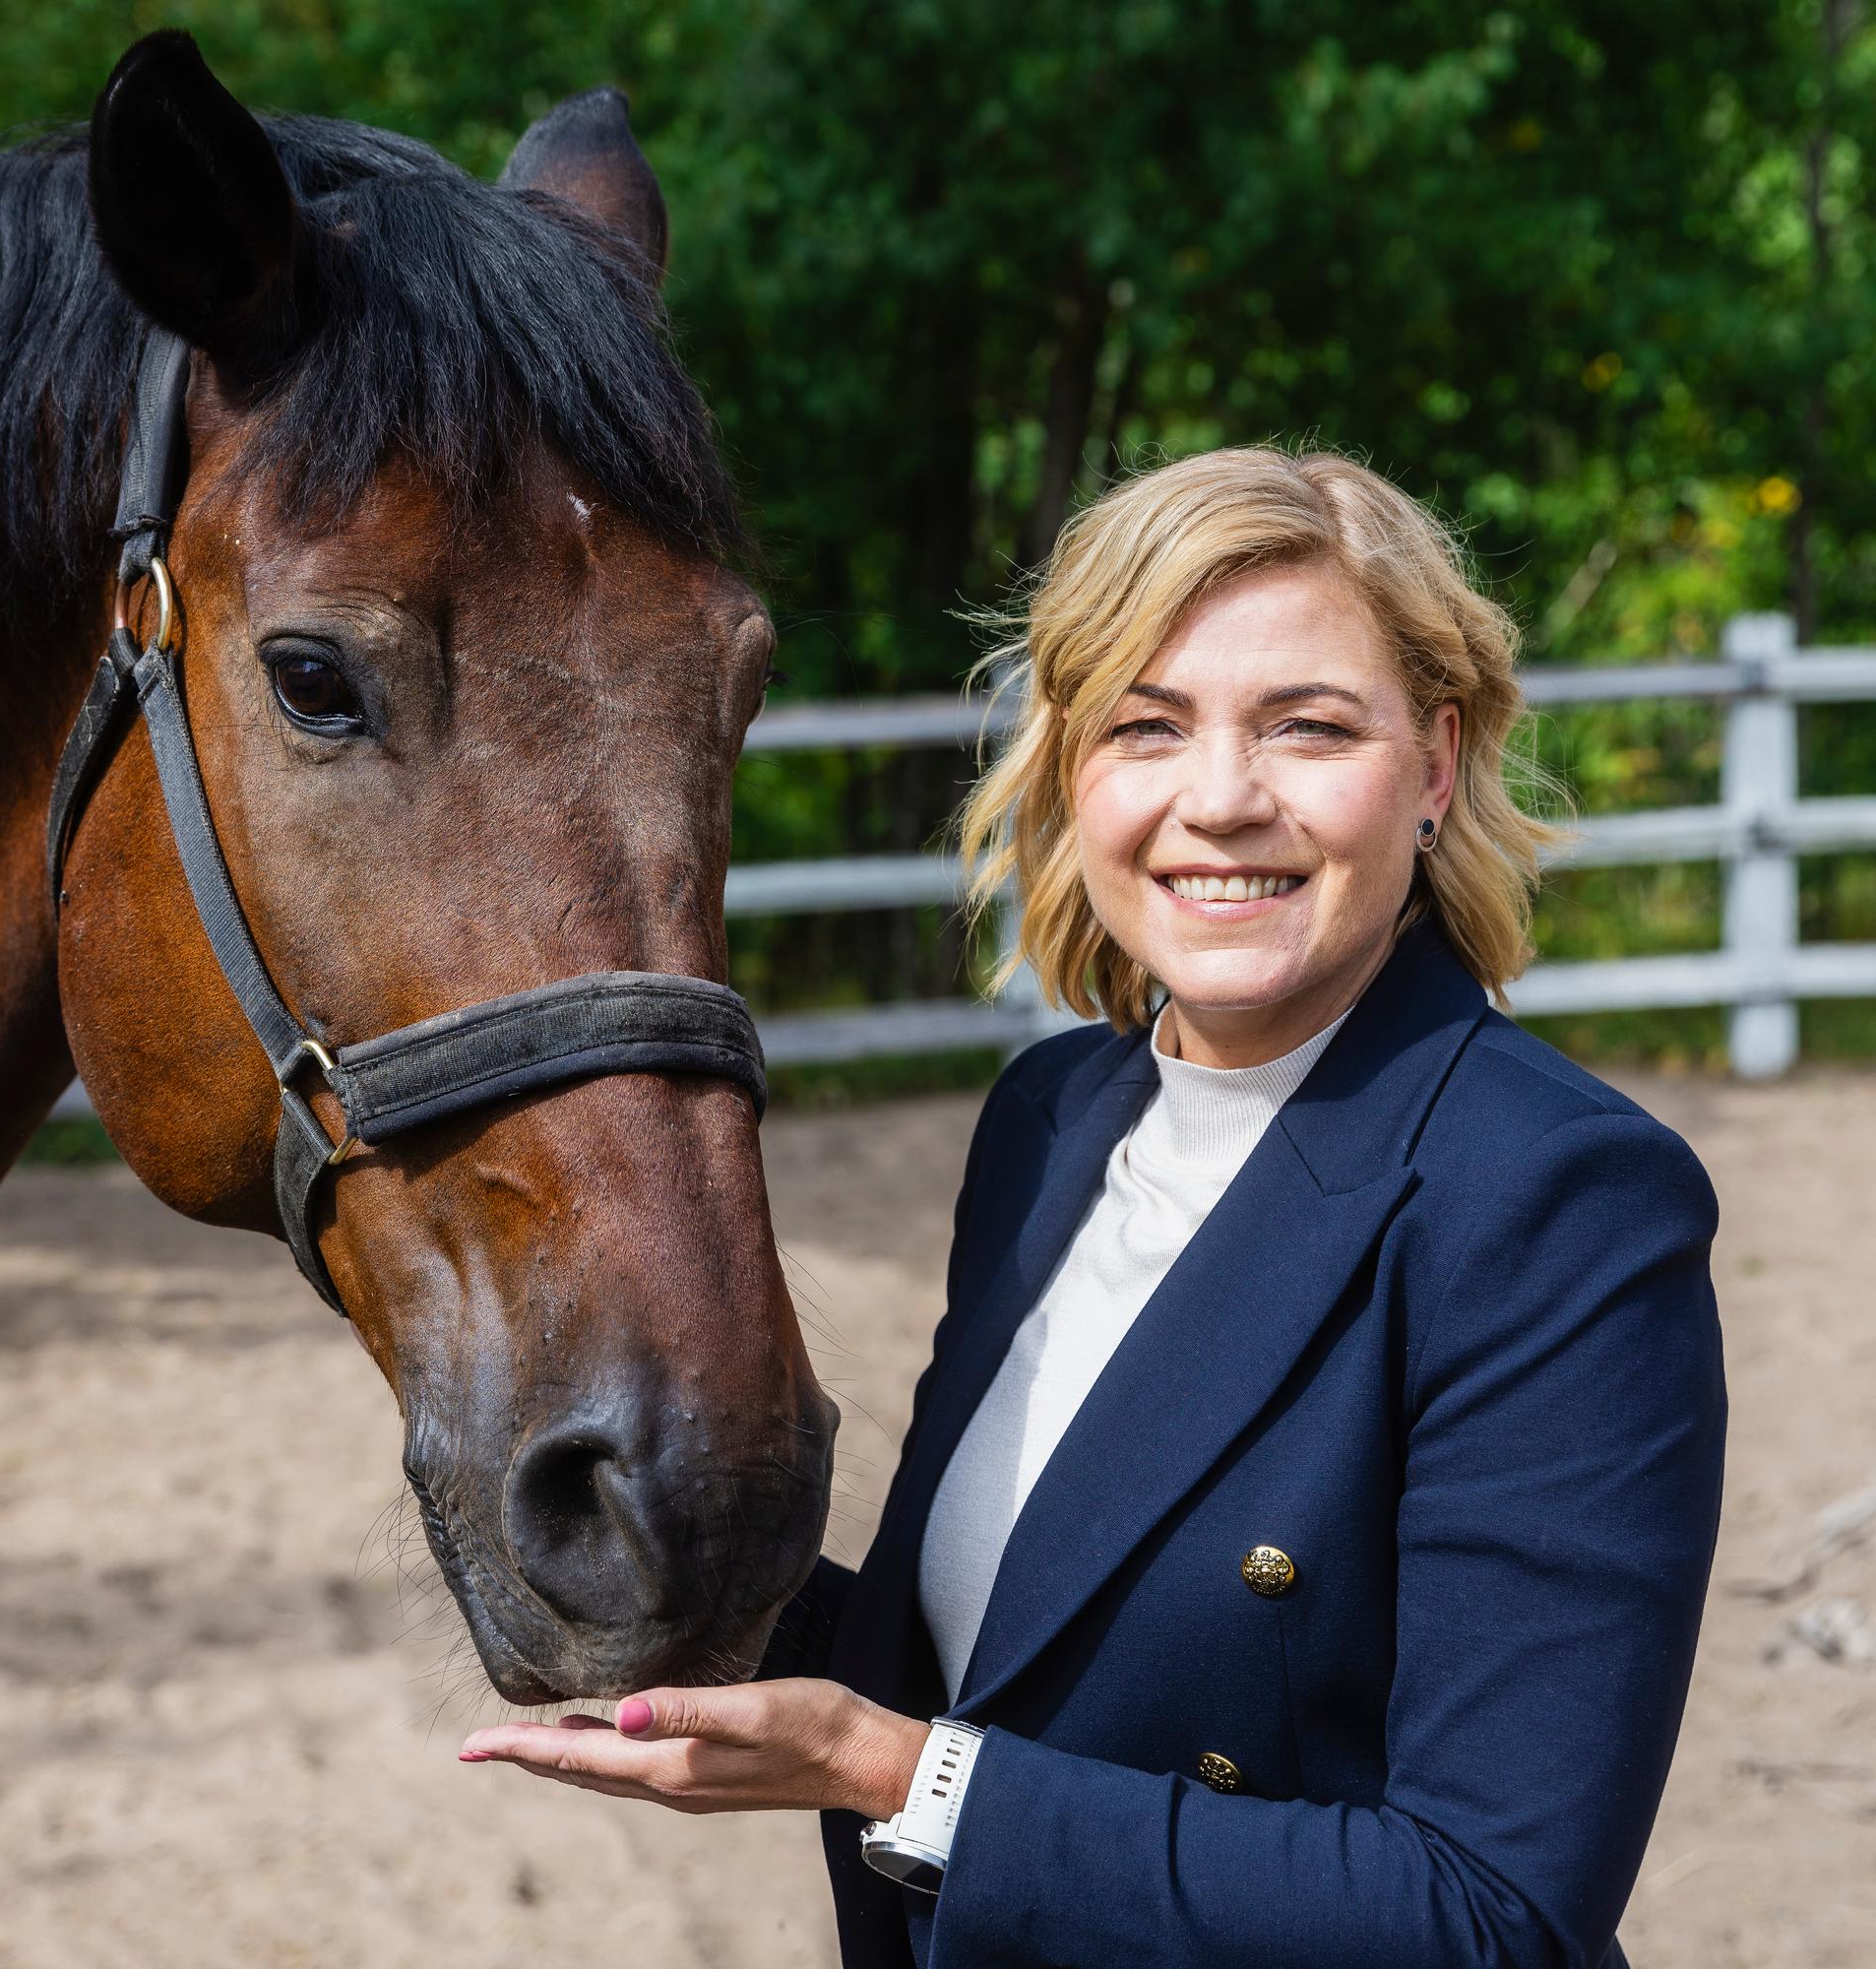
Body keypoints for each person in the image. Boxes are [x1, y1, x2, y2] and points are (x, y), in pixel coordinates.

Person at [458, 446, 1726, 1969]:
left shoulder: (1559, 1199)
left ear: (1438, 767)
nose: (1222, 800)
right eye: (1148, 726)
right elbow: (1036, 1632)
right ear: (1076, 772)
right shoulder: (1052, 1123)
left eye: (1308, 727)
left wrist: (893, 1776)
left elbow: (1490, 1915)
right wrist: (664, 1573)